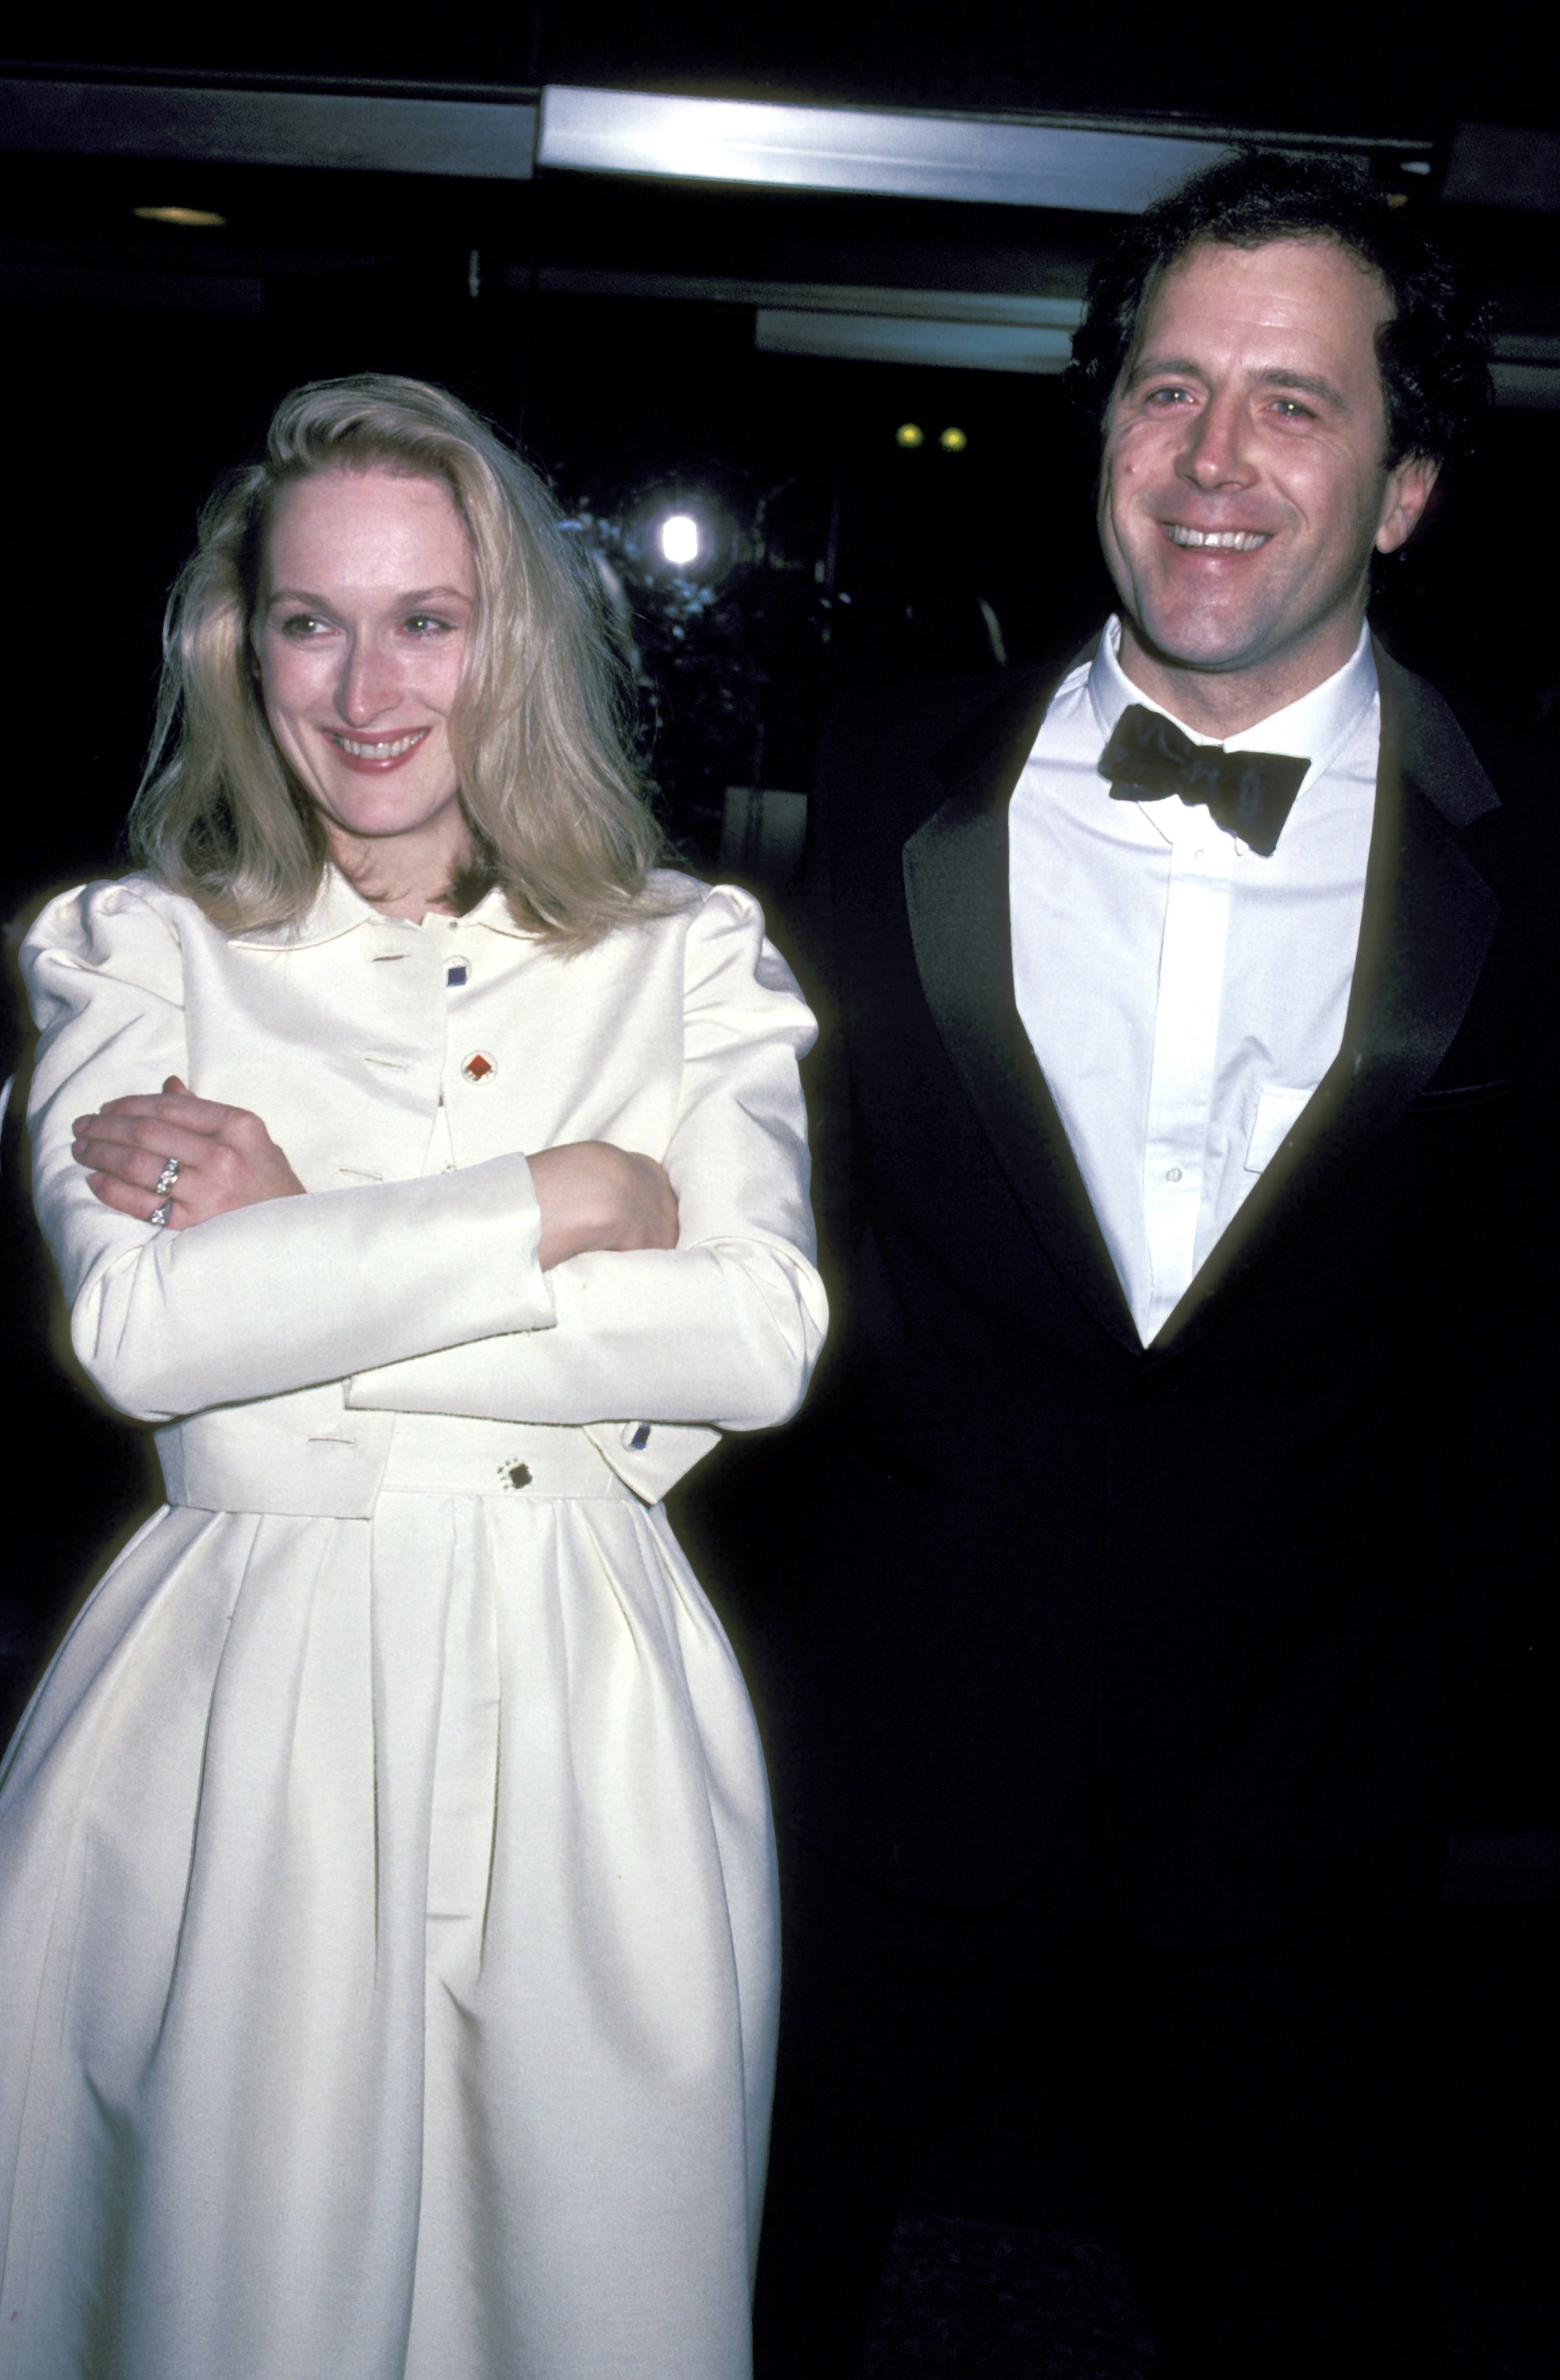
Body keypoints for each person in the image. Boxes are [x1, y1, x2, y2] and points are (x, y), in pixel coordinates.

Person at [0, 374, 826, 2380]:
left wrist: (302, 1235)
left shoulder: (689, 955)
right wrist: (555, 1193)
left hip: (591, 1711)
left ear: (510, 640)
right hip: (235, 1708)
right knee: (225, 2286)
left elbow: (757, 1341)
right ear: (239, 642)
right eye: (310, 620)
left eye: (426, 621)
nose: (366, 688)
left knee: (574, 2290)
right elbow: (148, 1335)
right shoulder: (129, 945)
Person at [702, 153, 1553, 2377]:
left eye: (1293, 405)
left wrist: (1418, 1728)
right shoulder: (881, 780)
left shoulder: (1532, 866)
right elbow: (711, 1155)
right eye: (1166, 390)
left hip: (1302, 1798)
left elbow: (1527, 1355)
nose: (1209, 461)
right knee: (732, 2296)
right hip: (885, 1753)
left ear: (1402, 488)